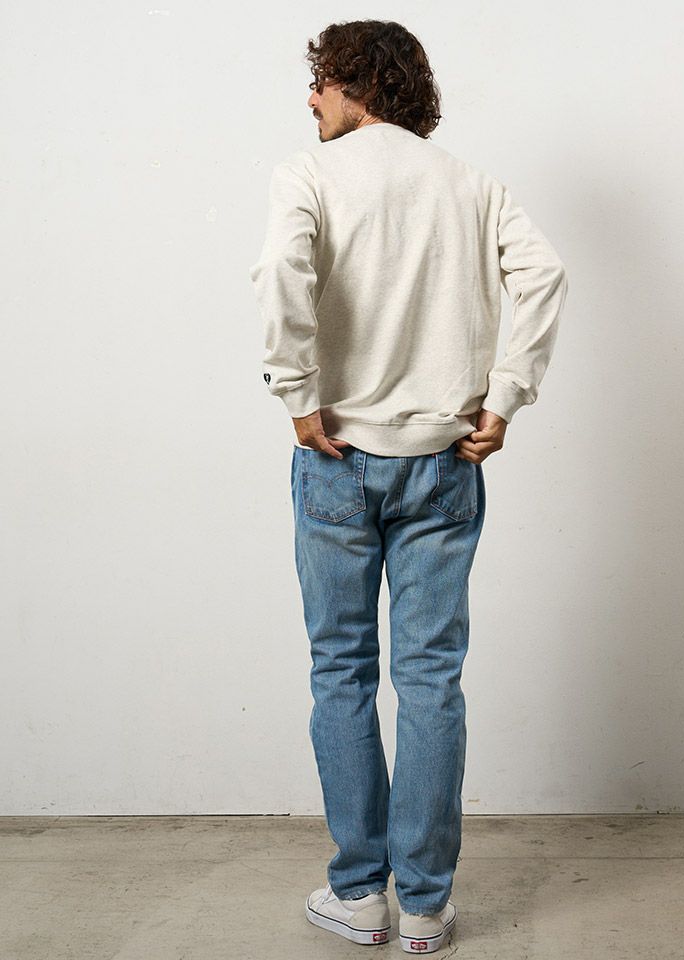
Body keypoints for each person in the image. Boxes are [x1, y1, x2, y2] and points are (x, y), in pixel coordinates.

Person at [248, 18, 568, 954]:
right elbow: (544, 274)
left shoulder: (308, 175)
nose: (310, 97)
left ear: (357, 82)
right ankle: (425, 907)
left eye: (320, 80)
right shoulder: (470, 183)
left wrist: (297, 396)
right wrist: (503, 400)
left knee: (341, 670)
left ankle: (361, 895)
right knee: (430, 679)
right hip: (444, 463)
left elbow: (280, 271)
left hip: (337, 456)